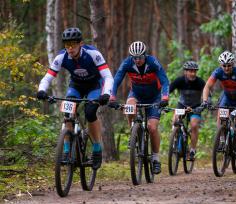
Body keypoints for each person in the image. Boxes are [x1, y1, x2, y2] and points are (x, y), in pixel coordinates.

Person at [37, 27, 114, 170]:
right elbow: (48, 77)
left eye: (73, 44)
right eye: (67, 45)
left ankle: (97, 148)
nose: (70, 48)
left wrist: (106, 94)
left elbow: (108, 77)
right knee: (67, 114)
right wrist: (41, 90)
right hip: (76, 86)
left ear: (81, 44)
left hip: (94, 87)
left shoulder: (93, 54)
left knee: (90, 112)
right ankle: (67, 151)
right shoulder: (61, 57)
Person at [109, 41, 169, 174]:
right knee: (129, 106)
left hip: (154, 97)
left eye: (140, 57)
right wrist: (112, 97)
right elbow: (116, 80)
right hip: (136, 94)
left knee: (152, 127)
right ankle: (133, 131)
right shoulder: (127, 63)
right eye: (134, 58)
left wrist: (165, 98)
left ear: (145, 55)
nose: (137, 60)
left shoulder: (153, 62)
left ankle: (155, 158)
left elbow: (165, 81)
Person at [202, 51, 236, 156]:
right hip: (227, 97)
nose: (226, 68)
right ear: (221, 65)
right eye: (224, 65)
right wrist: (205, 101)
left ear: (233, 64)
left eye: (229, 65)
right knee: (220, 118)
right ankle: (221, 141)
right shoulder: (218, 72)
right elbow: (207, 86)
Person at [169, 61, 205, 160]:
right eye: (190, 71)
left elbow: (208, 96)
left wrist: (204, 105)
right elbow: (167, 91)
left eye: (194, 71)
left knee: (194, 125)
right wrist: (162, 101)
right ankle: (175, 140)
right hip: (182, 105)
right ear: (185, 72)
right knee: (175, 120)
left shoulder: (200, 82)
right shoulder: (179, 81)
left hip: (195, 107)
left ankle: (192, 150)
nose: (193, 73)